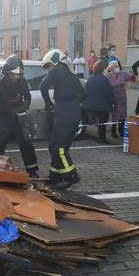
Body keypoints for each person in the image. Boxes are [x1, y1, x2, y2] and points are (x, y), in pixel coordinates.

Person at [40, 49, 85, 190]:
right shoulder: (71, 74)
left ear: (55, 60)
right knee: (53, 146)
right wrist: (72, 103)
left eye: (48, 66)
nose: (49, 70)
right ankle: (55, 176)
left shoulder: (58, 69)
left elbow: (43, 86)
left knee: (59, 148)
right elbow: (84, 95)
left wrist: (48, 103)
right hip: (71, 115)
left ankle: (72, 175)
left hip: (64, 116)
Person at [0, 55, 39, 177]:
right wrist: (11, 111)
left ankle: (32, 170)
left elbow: (27, 96)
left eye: (18, 75)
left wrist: (25, 105)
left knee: (26, 145)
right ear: (6, 73)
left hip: (19, 120)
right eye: (13, 74)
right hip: (5, 120)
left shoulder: (21, 82)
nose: (15, 77)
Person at [83, 61, 114, 144]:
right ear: (102, 69)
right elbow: (108, 93)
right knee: (102, 122)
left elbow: (86, 91)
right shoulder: (104, 79)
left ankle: (97, 132)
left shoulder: (90, 78)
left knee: (97, 121)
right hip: (102, 106)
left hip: (90, 105)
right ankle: (102, 138)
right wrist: (112, 102)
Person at [105, 61, 135, 138]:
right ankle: (113, 131)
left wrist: (128, 87)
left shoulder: (123, 73)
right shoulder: (108, 76)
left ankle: (121, 131)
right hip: (113, 98)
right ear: (111, 68)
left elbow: (132, 77)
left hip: (122, 97)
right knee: (114, 114)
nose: (116, 68)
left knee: (122, 114)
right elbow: (104, 83)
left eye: (117, 66)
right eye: (114, 66)